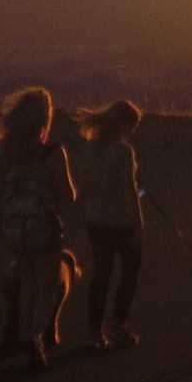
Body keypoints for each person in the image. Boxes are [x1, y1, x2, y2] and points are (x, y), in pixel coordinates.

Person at [0, 87, 77, 370]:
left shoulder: (7, 151)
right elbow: (68, 194)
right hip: (45, 227)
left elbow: (0, 189)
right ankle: (35, 336)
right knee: (46, 286)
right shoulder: (53, 152)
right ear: (45, 119)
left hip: (15, 229)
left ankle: (24, 332)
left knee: (26, 284)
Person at [77, 99, 146, 349]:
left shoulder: (89, 149)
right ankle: (117, 325)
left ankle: (94, 330)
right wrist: (138, 221)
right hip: (123, 223)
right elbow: (130, 192)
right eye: (133, 124)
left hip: (96, 220)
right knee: (129, 274)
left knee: (101, 276)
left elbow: (87, 185)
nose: (134, 130)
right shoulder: (124, 152)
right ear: (124, 123)